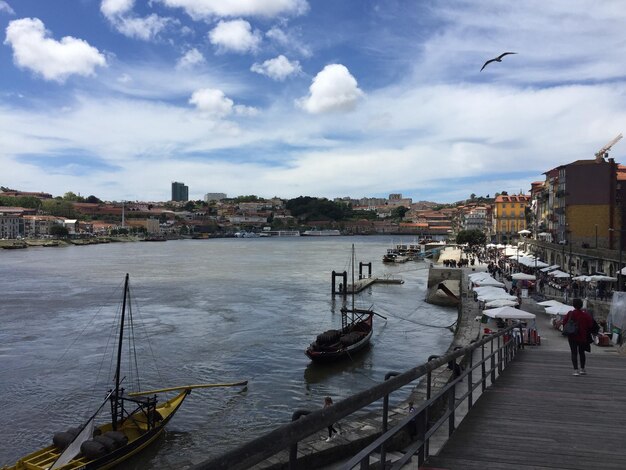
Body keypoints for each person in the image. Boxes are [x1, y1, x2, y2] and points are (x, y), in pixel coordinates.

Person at [561, 298, 594, 376]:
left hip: (572, 336)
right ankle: (582, 369)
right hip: (582, 336)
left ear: (573, 305)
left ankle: (575, 370)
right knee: (582, 352)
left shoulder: (570, 313)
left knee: (574, 353)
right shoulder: (585, 315)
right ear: (581, 305)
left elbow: (564, 322)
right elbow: (590, 325)